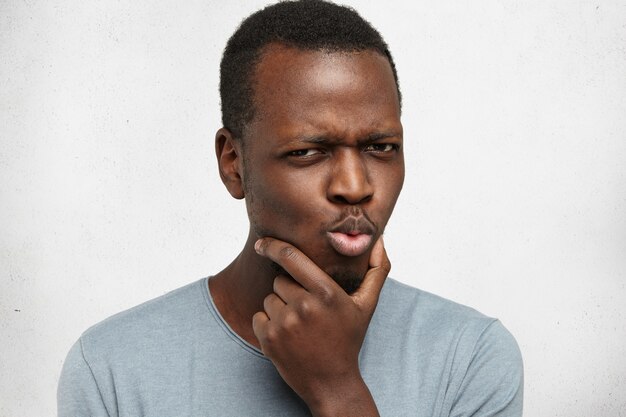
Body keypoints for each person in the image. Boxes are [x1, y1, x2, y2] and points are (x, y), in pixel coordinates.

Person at [58, 1, 523, 416]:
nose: (355, 186)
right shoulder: (112, 369)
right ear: (233, 163)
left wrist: (339, 391)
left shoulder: (469, 356)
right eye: (307, 152)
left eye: (381, 147)